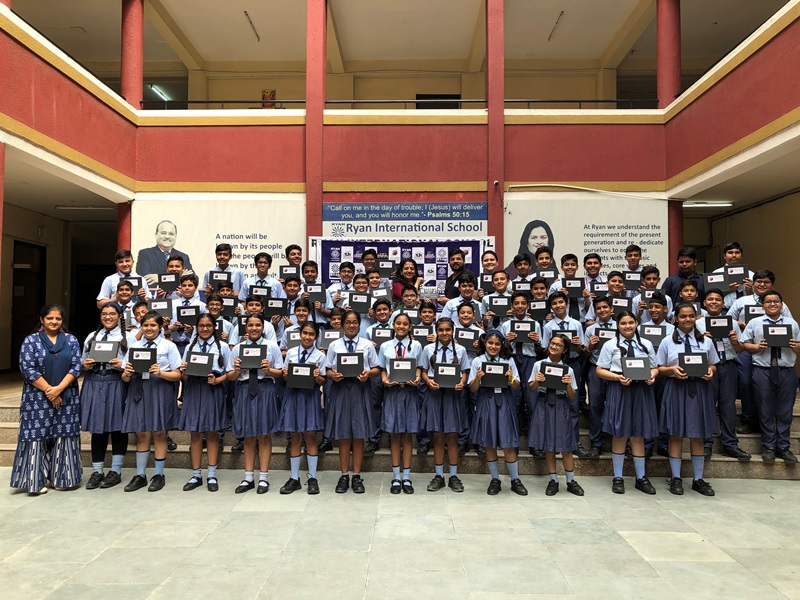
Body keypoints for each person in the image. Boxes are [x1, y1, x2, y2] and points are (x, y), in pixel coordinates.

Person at [11, 305, 82, 495]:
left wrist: (59, 389)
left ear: (62, 321)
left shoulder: (71, 340)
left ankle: (63, 478)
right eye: (50, 318)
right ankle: (35, 481)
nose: (54, 322)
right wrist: (50, 390)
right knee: (37, 435)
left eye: (58, 318)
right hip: (37, 396)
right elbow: (27, 368)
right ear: (41, 319)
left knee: (64, 434)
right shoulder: (31, 341)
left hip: (66, 395)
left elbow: (76, 366)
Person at [656, 303, 719, 496]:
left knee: (698, 434)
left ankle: (698, 479)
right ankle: (676, 477)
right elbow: (659, 368)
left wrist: (710, 371)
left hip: (699, 389)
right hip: (676, 388)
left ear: (696, 317)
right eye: (683, 316)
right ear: (676, 318)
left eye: (691, 316)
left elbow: (713, 364)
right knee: (675, 433)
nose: (687, 319)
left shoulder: (706, 341)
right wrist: (672, 370)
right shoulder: (667, 341)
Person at [595, 311, 659, 495]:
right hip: (620, 389)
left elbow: (654, 368)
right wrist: (617, 377)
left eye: (631, 322)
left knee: (638, 434)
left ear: (637, 323)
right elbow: (599, 370)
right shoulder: (610, 345)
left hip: (641, 390)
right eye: (623, 323)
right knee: (620, 434)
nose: (627, 326)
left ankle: (641, 478)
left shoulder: (646, 344)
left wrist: (652, 376)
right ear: (618, 325)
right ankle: (618, 477)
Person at [120, 311, 182, 492]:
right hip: (139, 390)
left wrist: (160, 372)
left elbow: (178, 374)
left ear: (160, 327)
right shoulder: (135, 346)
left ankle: (158, 475)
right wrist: (127, 373)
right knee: (141, 433)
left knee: (159, 432)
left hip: (159, 389)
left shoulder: (168, 346)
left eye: (153, 325)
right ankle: (140, 475)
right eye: (145, 325)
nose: (149, 328)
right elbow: (124, 377)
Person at [740, 291, 799, 464]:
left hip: (786, 370)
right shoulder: (755, 322)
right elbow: (744, 344)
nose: (772, 304)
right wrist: (757, 347)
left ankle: (784, 447)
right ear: (762, 305)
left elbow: (799, 345)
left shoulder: (791, 323)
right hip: (763, 370)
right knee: (765, 409)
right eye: (768, 302)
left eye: (776, 301)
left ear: (781, 304)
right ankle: (769, 447)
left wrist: (795, 346)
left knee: (785, 411)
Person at [325, 310, 381, 494]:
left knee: (358, 434)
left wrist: (368, 374)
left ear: (359, 324)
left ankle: (356, 475)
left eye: (355, 322)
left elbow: (376, 368)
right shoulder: (334, 345)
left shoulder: (367, 344)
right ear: (342, 325)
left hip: (360, 389)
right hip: (340, 389)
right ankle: (344, 475)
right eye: (348, 322)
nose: (351, 325)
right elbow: (327, 370)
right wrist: (333, 375)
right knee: (343, 435)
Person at [227, 314, 284, 494]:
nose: (254, 328)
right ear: (246, 327)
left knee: (264, 434)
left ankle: (264, 478)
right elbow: (230, 376)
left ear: (263, 327)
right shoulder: (238, 348)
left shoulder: (271, 347)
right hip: (244, 390)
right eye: (250, 325)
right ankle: (248, 477)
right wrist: (236, 370)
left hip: (265, 389)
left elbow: (281, 372)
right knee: (248, 435)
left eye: (257, 325)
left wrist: (269, 370)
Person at [468, 330, 527, 496]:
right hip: (485, 401)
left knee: (508, 443)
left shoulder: (508, 360)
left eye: (497, 344)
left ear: (502, 345)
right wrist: (478, 378)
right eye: (490, 343)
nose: (493, 347)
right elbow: (472, 389)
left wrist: (511, 378)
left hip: (504, 401)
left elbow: (517, 386)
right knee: (489, 442)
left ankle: (515, 479)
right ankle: (495, 479)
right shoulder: (478, 361)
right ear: (484, 343)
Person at [178, 313, 231, 492]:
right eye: (201, 326)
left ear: (214, 327)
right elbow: (184, 377)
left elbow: (229, 372)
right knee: (195, 433)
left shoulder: (223, 347)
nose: (205, 329)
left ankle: (212, 475)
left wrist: (217, 380)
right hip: (194, 388)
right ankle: (196, 475)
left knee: (212, 433)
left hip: (212, 388)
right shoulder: (190, 347)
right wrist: (184, 370)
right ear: (196, 327)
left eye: (208, 325)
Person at [696, 288, 750, 461]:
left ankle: (730, 444)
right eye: (710, 299)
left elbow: (740, 349)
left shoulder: (732, 323)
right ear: (704, 303)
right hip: (707, 368)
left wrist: (735, 341)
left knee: (728, 406)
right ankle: (706, 443)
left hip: (728, 366)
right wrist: (702, 340)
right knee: (707, 405)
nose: (714, 302)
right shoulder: (698, 324)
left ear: (723, 303)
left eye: (717, 299)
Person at [80, 302, 129, 490]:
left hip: (115, 381)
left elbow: (133, 362)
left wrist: (121, 365)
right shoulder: (92, 336)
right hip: (94, 381)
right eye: (104, 314)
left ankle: (115, 470)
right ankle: (97, 471)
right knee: (97, 426)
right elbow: (82, 360)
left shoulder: (127, 337)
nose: (108, 317)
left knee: (118, 426)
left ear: (120, 316)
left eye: (112, 314)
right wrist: (85, 365)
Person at [528, 334, 583, 496]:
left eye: (559, 345)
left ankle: (571, 480)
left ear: (564, 350)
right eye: (552, 343)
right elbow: (531, 388)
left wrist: (568, 385)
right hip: (543, 403)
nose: (554, 347)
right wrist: (537, 381)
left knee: (566, 445)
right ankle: (553, 480)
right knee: (548, 444)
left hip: (561, 404)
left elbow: (572, 396)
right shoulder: (539, 365)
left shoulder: (568, 370)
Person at [419, 317, 471, 492]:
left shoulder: (461, 350)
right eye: (441, 330)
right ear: (436, 331)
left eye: (447, 330)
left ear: (452, 331)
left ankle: (454, 476)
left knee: (452, 435)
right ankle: (439, 475)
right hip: (434, 394)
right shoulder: (428, 349)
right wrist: (428, 381)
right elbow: (424, 371)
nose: (444, 333)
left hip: (452, 395)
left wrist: (462, 382)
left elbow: (464, 371)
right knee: (438, 435)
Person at [279, 321, 326, 495]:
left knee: (310, 435)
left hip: (310, 396)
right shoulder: (291, 353)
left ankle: (312, 478)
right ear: (300, 334)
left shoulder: (320, 356)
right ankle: (294, 478)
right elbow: (285, 377)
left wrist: (317, 377)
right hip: (293, 395)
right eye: (305, 333)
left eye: (311, 334)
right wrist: (285, 374)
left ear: (316, 337)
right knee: (295, 436)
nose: (307, 337)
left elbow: (323, 381)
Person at [379, 313, 423, 494]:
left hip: (410, 392)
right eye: (398, 323)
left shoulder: (416, 345)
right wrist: (384, 380)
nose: (401, 327)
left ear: (410, 327)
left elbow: (419, 367)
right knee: (395, 435)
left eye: (405, 324)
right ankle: (396, 477)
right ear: (393, 325)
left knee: (408, 435)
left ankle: (407, 477)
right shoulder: (385, 346)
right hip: (393, 392)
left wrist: (418, 377)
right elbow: (382, 368)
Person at [137, 220, 193, 286]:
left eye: (171, 234)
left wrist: (159, 278)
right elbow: (147, 279)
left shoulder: (183, 256)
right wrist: (179, 277)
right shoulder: (145, 254)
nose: (167, 237)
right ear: (156, 234)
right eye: (163, 233)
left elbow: (193, 279)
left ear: (175, 236)